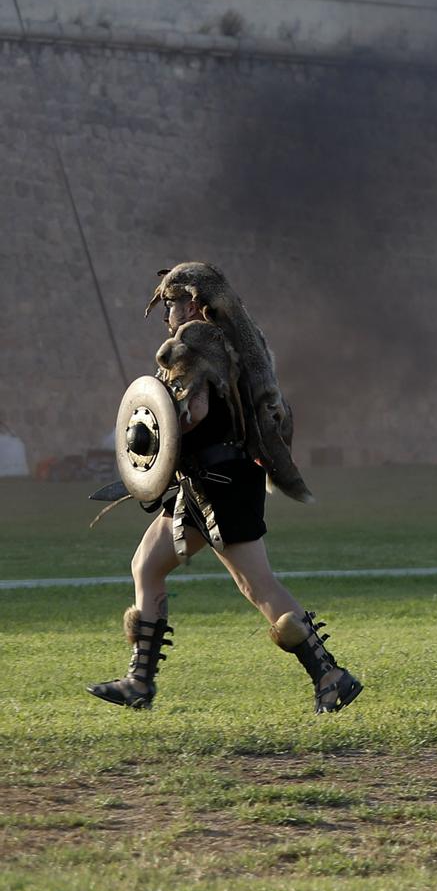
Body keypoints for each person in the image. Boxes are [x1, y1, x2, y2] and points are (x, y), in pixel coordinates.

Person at [88, 263, 362, 714]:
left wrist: (155, 435)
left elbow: (192, 411)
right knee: (147, 565)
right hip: (204, 483)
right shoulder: (242, 342)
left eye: (172, 302)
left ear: (194, 302)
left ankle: (330, 675)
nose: (167, 313)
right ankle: (139, 681)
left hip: (220, 485)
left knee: (258, 585)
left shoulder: (194, 342)